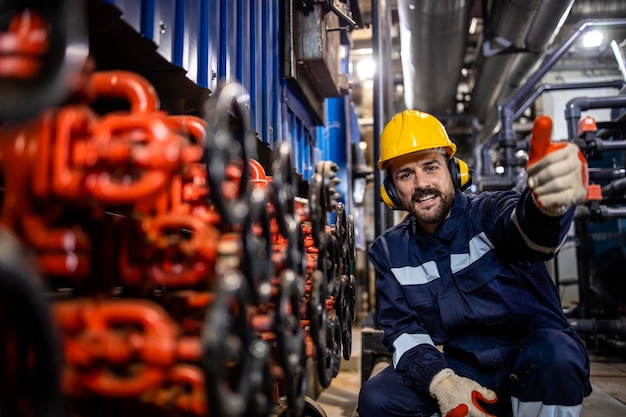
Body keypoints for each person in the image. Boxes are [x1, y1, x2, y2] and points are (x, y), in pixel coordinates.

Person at [357, 110, 591, 417]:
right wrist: (442, 382)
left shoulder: (489, 214)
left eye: (430, 167)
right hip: (464, 368)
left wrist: (548, 207)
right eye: (405, 175)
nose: (421, 184)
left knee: (556, 355)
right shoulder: (390, 252)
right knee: (377, 399)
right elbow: (404, 333)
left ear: (454, 171)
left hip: (534, 356)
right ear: (391, 191)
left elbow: (530, 234)